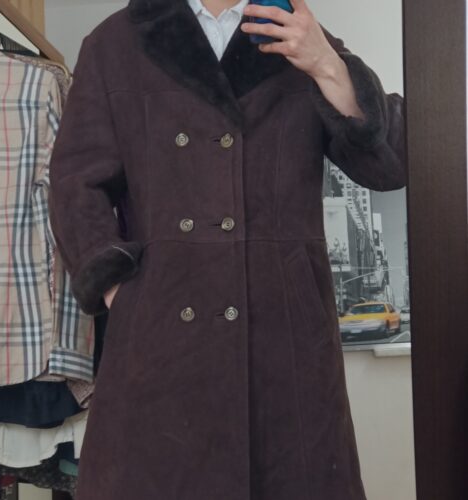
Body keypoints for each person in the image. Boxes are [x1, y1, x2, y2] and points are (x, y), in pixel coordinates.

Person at [49, 1, 406, 499]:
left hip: (283, 343)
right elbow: (74, 184)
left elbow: (391, 166)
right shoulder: (117, 42)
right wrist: (119, 291)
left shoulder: (297, 33)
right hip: (161, 339)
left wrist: (327, 64)